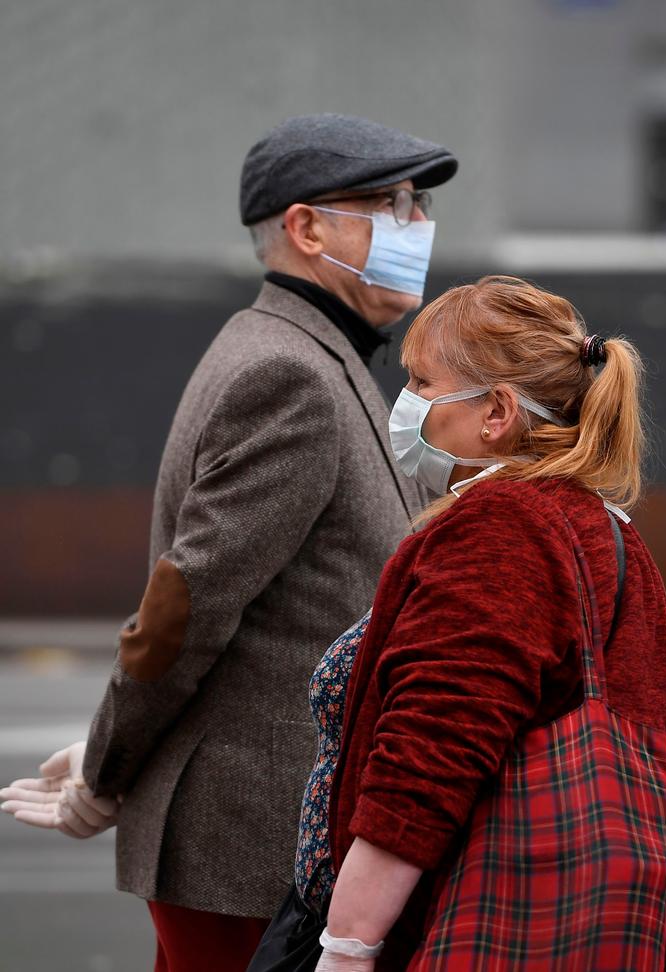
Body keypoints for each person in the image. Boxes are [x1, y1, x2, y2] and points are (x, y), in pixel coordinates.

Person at [0, 113, 458, 972]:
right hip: (252, 849)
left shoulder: (306, 354)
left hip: (263, 840)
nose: (419, 223)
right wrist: (106, 768)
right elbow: (185, 608)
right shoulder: (288, 373)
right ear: (307, 227)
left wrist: (115, 756)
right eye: (392, 202)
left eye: (421, 201)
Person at [276, 275, 666, 971]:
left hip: (464, 925)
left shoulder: (501, 528)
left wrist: (348, 947)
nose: (406, 402)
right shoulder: (604, 528)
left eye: (422, 381)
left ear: (497, 412)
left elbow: (429, 756)